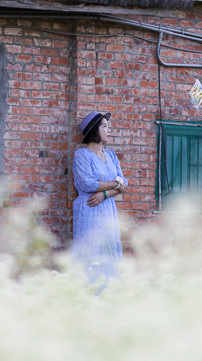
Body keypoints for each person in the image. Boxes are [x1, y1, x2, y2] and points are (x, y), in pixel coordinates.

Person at [71, 111, 128, 290]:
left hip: (107, 208)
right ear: (93, 131)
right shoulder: (81, 155)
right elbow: (88, 184)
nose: (109, 130)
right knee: (91, 249)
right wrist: (116, 184)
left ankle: (109, 294)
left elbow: (124, 184)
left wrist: (105, 194)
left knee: (108, 248)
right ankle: (87, 295)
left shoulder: (111, 156)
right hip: (89, 209)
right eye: (104, 126)